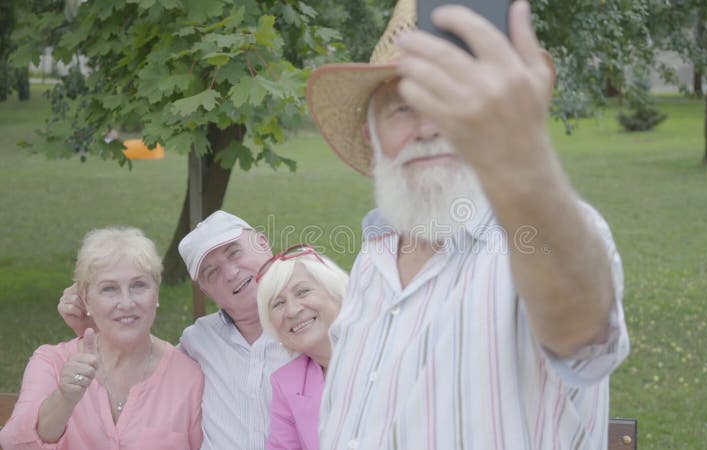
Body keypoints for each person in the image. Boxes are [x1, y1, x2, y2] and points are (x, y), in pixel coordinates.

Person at [305, 1, 630, 449]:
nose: (427, 127)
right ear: (371, 135)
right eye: (403, 108)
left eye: (451, 103)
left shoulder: (543, 232)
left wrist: (523, 157)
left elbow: (584, 336)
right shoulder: (371, 259)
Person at [56, 211, 293, 450]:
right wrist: (92, 325)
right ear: (206, 290)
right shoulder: (198, 342)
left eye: (234, 253)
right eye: (212, 272)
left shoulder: (313, 327)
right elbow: (141, 361)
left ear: (263, 243)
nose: (231, 273)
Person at [0, 227, 203, 449]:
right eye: (109, 289)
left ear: (156, 293)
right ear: (86, 300)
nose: (126, 303)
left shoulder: (188, 377)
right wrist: (65, 398)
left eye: (139, 285)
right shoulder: (51, 362)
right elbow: (12, 444)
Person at [255, 245, 349, 450]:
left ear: (337, 292)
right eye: (278, 304)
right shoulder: (287, 383)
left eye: (303, 291)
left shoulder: (384, 348)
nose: (292, 310)